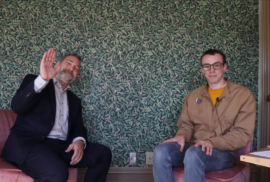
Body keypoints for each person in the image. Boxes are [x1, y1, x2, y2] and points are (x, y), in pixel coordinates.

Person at [1, 48, 112, 182]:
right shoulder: (36, 82)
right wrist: (42, 79)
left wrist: (79, 141)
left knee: (102, 154)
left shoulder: (74, 100)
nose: (72, 68)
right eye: (69, 63)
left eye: (76, 68)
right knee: (57, 173)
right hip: (31, 145)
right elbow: (17, 107)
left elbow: (78, 127)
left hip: (62, 147)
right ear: (58, 64)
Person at [153, 49, 256, 182]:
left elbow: (242, 134)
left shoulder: (243, 95)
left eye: (216, 65)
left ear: (224, 67)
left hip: (222, 153)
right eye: (207, 66)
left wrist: (211, 142)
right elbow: (187, 125)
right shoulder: (193, 96)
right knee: (161, 151)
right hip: (193, 149)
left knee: (194, 154)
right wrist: (182, 135)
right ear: (202, 70)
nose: (211, 70)